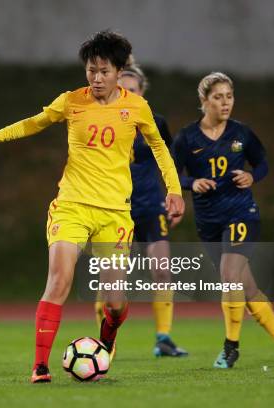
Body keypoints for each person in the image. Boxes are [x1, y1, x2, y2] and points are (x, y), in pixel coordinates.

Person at [0, 30, 184, 383]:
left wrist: (174, 190)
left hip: (114, 214)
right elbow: (34, 123)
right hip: (72, 206)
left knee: (114, 301)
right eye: (91, 70)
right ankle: (40, 366)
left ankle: (107, 337)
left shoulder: (137, 107)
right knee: (59, 281)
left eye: (104, 71)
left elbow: (160, 149)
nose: (96, 78)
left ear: (119, 71)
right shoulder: (71, 101)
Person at [171, 72, 274, 368]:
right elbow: (172, 175)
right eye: (218, 97)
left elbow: (263, 163)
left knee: (230, 275)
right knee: (245, 286)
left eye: (229, 96)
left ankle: (231, 348)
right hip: (209, 221)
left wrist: (252, 175)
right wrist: (192, 183)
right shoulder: (187, 138)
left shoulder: (242, 134)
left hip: (241, 213)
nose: (225, 102)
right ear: (204, 101)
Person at [95, 63, 188, 358]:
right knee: (109, 278)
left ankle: (163, 338)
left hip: (150, 206)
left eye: (132, 89)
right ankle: (107, 343)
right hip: (113, 207)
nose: (126, 93)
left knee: (162, 269)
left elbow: (170, 160)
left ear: (142, 92)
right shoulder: (101, 120)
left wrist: (176, 194)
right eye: (122, 88)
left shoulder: (154, 122)